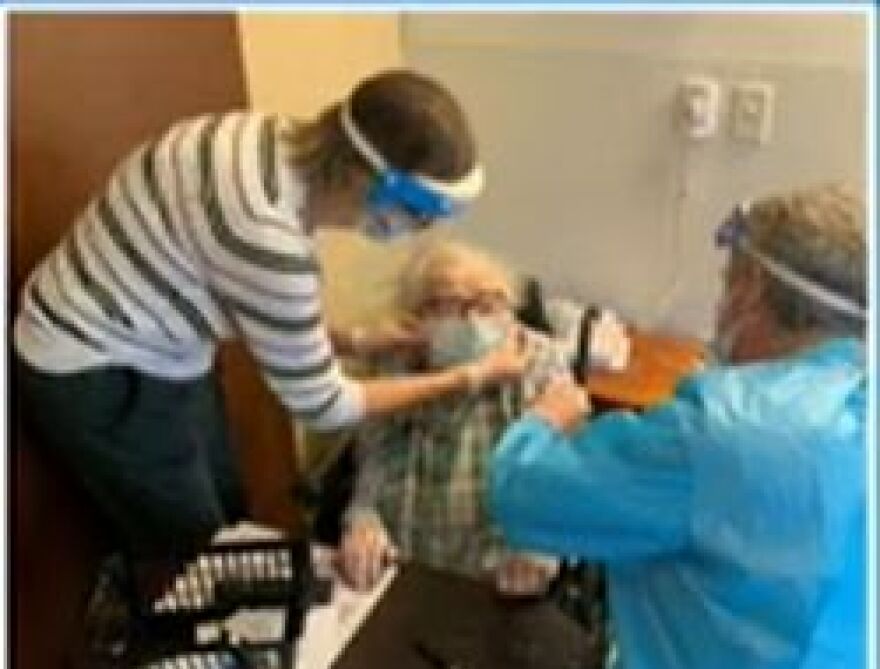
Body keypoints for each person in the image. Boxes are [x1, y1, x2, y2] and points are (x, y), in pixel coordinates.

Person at [14, 69, 528, 562]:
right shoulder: (270, 241)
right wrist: (468, 376)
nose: (417, 231)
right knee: (192, 549)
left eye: (483, 303)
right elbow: (324, 404)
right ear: (368, 180)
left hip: (156, 332)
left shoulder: (257, 138)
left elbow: (250, 308)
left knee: (232, 514)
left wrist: (362, 342)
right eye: (419, 214)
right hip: (95, 363)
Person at [489, 186, 867, 669]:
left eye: (723, 282)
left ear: (751, 287)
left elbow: (522, 493)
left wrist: (546, 421)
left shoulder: (721, 430)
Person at [337, 241, 573, 596]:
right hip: (401, 568)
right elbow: (374, 457)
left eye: (489, 304)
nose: (473, 319)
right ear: (418, 316)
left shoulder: (536, 360)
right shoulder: (398, 361)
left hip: (495, 578)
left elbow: (561, 475)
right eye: (451, 305)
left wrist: (540, 547)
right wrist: (363, 519)